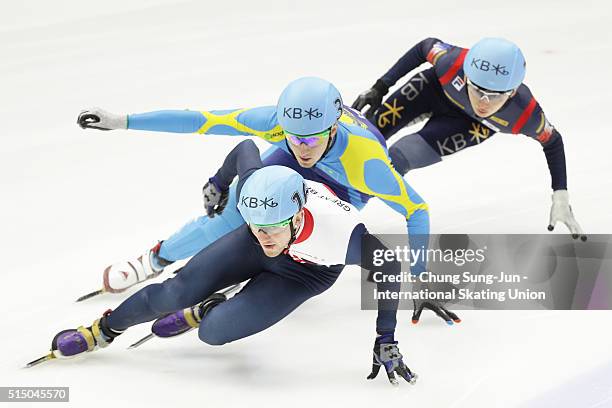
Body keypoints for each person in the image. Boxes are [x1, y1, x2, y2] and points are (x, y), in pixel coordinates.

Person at [78, 76, 458, 324]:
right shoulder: (282, 126)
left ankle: (252, 284)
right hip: (306, 160)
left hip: (344, 182)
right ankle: (157, 258)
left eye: (309, 138)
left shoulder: (368, 166)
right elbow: (201, 121)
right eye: (292, 136)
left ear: (332, 126)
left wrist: (421, 276)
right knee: (241, 208)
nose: (301, 146)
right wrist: (123, 121)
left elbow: (416, 210)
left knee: (293, 232)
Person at [44, 140, 423, 386]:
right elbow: (244, 150)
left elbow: (388, 266)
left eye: (274, 229)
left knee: (212, 333)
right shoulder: (260, 194)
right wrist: (218, 182)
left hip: (305, 274)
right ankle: (103, 330)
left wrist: (385, 337)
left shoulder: (342, 233)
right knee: (173, 293)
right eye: (260, 227)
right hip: (246, 248)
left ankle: (210, 308)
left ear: (296, 216)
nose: (267, 236)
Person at [352, 37, 586, 241]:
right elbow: (424, 47)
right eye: (477, 90)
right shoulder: (451, 62)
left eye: (494, 96)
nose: (483, 102)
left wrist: (561, 194)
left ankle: (348, 206)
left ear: (513, 92)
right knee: (366, 136)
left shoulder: (526, 114)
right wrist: (380, 87)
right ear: (465, 76)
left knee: (398, 157)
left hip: (469, 126)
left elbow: (553, 142)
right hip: (433, 90)